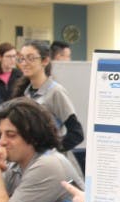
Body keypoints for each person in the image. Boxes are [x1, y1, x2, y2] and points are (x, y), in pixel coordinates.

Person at [13, 38, 84, 180]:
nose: (25, 63)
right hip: (33, 165)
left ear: (45, 61)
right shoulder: (26, 93)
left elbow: (76, 133)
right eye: (21, 59)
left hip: (55, 169)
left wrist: (49, 150)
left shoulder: (55, 92)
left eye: (31, 58)